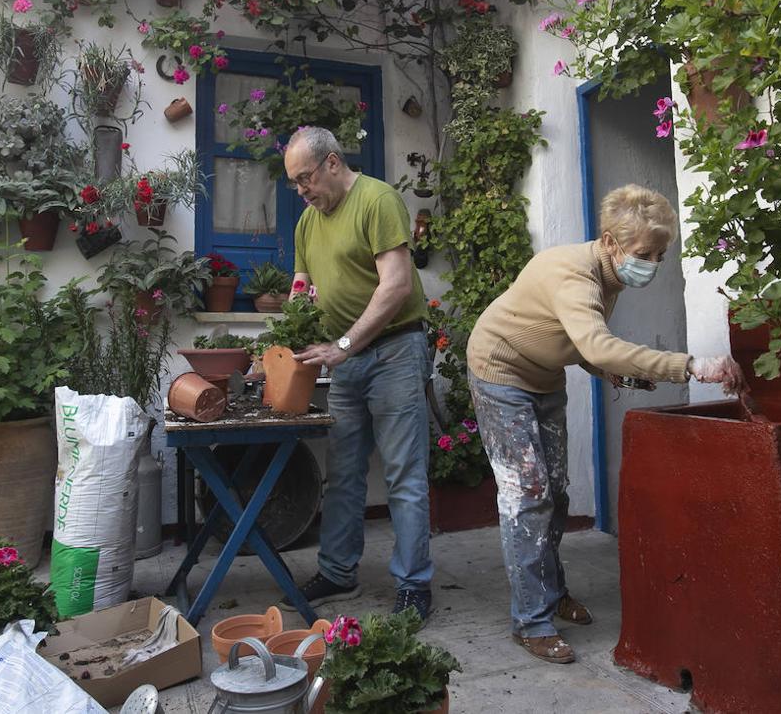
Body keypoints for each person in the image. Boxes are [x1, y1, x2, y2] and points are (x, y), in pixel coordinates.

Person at [466, 184, 745, 664]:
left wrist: (612, 368)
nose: (652, 264)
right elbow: (595, 344)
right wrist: (689, 364)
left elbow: (575, 341)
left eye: (659, 253)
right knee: (526, 494)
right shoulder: (575, 275)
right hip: (499, 372)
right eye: (644, 253)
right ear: (611, 242)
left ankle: (550, 594)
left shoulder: (608, 274)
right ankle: (530, 620)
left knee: (555, 491)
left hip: (543, 375)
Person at [282, 126, 435, 622]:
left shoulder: (378, 200)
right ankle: (337, 573)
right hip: (344, 358)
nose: (302, 190)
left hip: (393, 351)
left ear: (331, 163)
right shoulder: (308, 222)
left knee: (404, 476)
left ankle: (414, 586)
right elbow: (302, 285)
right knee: (344, 474)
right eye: (294, 183)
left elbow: (395, 287)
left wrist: (345, 344)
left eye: (305, 178)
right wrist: (293, 328)